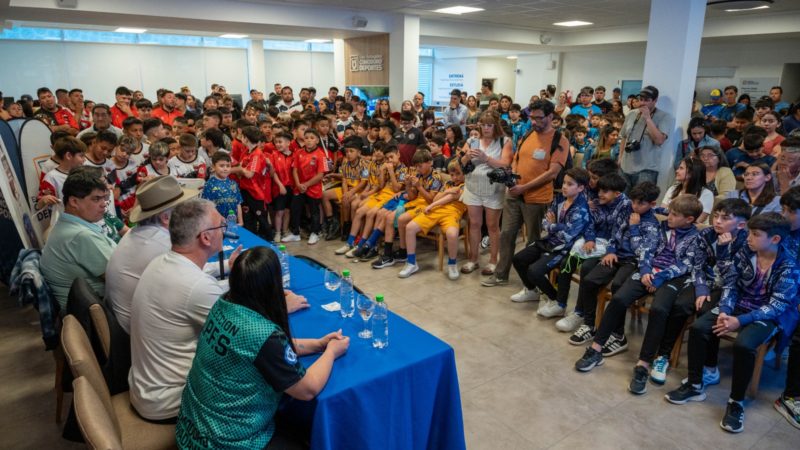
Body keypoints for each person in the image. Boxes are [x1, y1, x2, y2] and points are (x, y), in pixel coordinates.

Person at [175, 246, 349, 449]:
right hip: (226, 442)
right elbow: (307, 389)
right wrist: (330, 352)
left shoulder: (222, 305)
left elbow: (261, 352)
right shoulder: (262, 334)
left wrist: (318, 344)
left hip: (191, 431)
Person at [665, 213, 798, 434]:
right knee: (699, 328)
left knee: (744, 345)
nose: (748, 238)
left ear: (775, 239)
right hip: (737, 305)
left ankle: (736, 402)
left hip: (766, 314)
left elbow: (777, 306)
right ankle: (695, 385)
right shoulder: (745, 252)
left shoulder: (789, 266)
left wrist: (740, 321)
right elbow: (731, 284)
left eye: (756, 235)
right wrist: (726, 310)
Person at [575, 195, 705, 370]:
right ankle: (595, 349)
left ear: (689, 219)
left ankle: (643, 364)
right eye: (670, 213)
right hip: (648, 271)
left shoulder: (697, 237)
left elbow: (686, 265)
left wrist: (659, 278)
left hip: (672, 277)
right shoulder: (662, 227)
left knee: (658, 310)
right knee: (619, 299)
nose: (669, 217)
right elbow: (647, 250)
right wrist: (645, 271)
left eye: (674, 215)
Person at [128, 199, 228, 421]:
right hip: (169, 402)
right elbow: (245, 337)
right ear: (205, 237)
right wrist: (277, 304)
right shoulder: (196, 285)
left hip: (146, 389)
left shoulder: (160, 262)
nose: (224, 231)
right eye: (221, 226)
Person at [646, 199, 752, 387]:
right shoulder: (706, 234)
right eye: (716, 216)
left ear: (741, 224)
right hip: (705, 281)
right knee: (680, 305)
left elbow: (733, 279)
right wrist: (702, 288)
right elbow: (698, 265)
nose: (717, 221)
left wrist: (723, 251)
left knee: (705, 313)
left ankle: (709, 366)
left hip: (731, 289)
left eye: (725, 218)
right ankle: (663, 355)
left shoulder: (748, 243)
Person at [482, 100, 568, 287]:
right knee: (506, 234)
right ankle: (501, 274)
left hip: (536, 199)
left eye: (539, 118)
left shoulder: (559, 140)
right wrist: (511, 179)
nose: (534, 122)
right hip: (513, 194)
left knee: (533, 241)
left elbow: (552, 173)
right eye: (532, 117)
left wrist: (525, 187)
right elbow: (516, 159)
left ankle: (531, 281)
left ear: (551, 117)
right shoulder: (529, 133)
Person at [565, 181, 660, 345]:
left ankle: (618, 334)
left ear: (652, 204)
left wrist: (635, 228)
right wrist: (610, 251)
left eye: (640, 203)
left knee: (618, 287)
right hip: (616, 256)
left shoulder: (652, 225)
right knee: (589, 281)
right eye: (633, 201)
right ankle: (589, 324)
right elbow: (615, 233)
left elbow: (642, 253)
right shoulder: (626, 209)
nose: (635, 206)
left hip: (634, 262)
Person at [554, 173, 631, 331]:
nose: (600, 194)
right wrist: (590, 239)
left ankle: (579, 313)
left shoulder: (626, 206)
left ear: (617, 193)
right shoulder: (597, 203)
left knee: (588, 268)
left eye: (605, 191)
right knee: (566, 260)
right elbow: (589, 224)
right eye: (599, 190)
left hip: (613, 249)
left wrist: (610, 249)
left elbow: (619, 233)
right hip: (595, 243)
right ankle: (559, 304)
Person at [509, 168, 591, 311]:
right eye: (564, 183)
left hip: (564, 248)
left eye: (570, 184)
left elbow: (567, 235)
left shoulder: (582, 209)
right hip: (549, 241)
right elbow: (544, 223)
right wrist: (556, 226)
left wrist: (552, 225)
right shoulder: (559, 199)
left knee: (535, 271)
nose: (565, 186)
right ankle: (531, 291)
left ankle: (555, 300)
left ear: (581, 188)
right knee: (518, 259)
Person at [40, 167, 116, 308]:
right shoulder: (80, 236)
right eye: (96, 199)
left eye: (104, 198)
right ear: (74, 202)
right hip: (96, 315)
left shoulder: (67, 225)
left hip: (87, 308)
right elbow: (120, 277)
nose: (104, 204)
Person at [458, 111, 513, 275]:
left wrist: (485, 158)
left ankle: (493, 261)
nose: (486, 128)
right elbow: (460, 163)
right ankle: (473, 259)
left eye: (489, 125)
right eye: (483, 124)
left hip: (494, 189)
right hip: (472, 186)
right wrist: (466, 156)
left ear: (496, 125)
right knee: (474, 224)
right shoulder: (471, 140)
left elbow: (504, 164)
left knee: (492, 226)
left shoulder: (505, 141)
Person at [396, 160, 466, 280]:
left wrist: (433, 204)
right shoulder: (448, 183)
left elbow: (450, 198)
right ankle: (411, 263)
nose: (454, 177)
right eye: (452, 175)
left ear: (465, 173)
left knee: (452, 234)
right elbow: (437, 198)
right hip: (435, 210)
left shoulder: (465, 185)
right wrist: (447, 191)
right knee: (410, 228)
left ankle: (452, 263)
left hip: (451, 213)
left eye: (458, 174)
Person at [775, 187, 800, 429]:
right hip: (778, 295)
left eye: (790, 211)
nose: (784, 215)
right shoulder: (779, 233)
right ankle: (791, 396)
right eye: (783, 209)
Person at [619, 86, 673, 186]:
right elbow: (624, 137)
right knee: (623, 200)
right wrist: (620, 158)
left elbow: (659, 140)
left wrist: (648, 118)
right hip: (625, 167)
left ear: (655, 100)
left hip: (647, 169)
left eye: (647, 100)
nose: (643, 103)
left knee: (642, 201)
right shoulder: (631, 114)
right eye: (641, 99)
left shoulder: (664, 117)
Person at [322, 136, 367, 241]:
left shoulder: (364, 164)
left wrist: (350, 193)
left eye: (352, 151)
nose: (349, 154)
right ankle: (333, 224)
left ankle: (347, 226)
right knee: (324, 195)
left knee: (346, 200)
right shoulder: (346, 164)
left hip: (359, 190)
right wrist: (346, 192)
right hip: (348, 189)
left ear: (359, 152)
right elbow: (344, 180)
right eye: (347, 152)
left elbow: (364, 183)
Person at [232, 126, 273, 241]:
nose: (240, 138)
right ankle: (251, 241)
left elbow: (250, 174)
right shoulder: (247, 151)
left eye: (242, 136)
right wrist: (237, 170)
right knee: (248, 218)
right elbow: (241, 167)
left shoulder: (257, 154)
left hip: (255, 192)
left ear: (246, 138)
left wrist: (237, 170)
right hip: (245, 190)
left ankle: (271, 242)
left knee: (262, 219)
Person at [287, 128, 327, 245]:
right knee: (295, 209)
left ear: (317, 140)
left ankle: (315, 233)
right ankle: (295, 233)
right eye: (306, 138)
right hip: (299, 187)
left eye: (312, 138)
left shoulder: (321, 155)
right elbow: (294, 169)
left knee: (314, 211)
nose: (309, 140)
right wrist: (299, 184)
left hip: (313, 188)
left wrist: (306, 184)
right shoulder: (298, 152)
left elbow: (320, 175)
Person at [36, 137, 86, 211]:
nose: (84, 159)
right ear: (68, 156)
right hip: (64, 219)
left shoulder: (84, 173)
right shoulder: (51, 178)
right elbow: (39, 206)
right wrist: (44, 200)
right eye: (81, 156)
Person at [662, 157, 714, 223]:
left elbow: (698, 221)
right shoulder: (673, 188)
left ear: (691, 173)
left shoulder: (706, 194)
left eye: (681, 168)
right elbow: (662, 212)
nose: (677, 171)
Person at [202, 152, 244, 222]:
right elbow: (207, 207)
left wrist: (241, 221)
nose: (225, 169)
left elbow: (238, 203)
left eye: (228, 166)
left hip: (234, 223)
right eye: (221, 166)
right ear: (213, 167)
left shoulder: (233, 183)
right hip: (217, 224)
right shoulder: (209, 185)